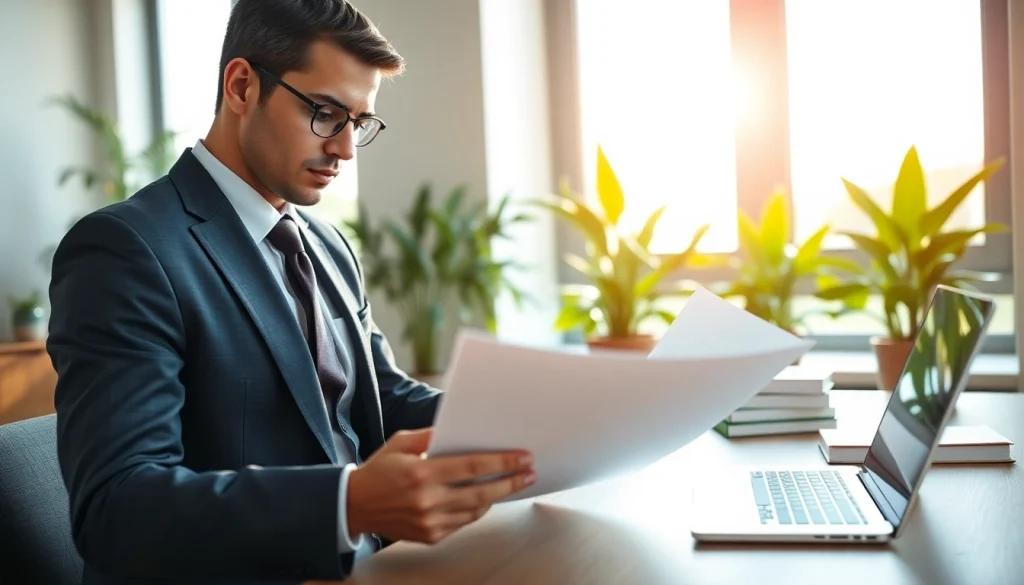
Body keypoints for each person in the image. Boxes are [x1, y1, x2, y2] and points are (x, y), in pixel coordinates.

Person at [46, 1, 536, 583]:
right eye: (326, 114)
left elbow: (380, 397)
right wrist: (347, 504)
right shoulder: (125, 250)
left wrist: (521, 421)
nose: (345, 149)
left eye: (359, 122)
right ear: (241, 86)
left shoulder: (327, 245)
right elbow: (118, 511)